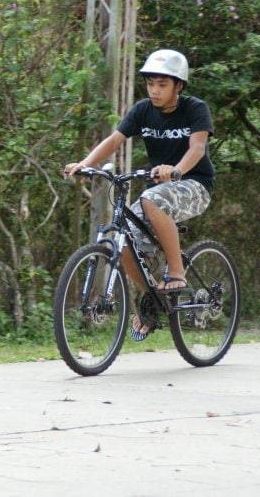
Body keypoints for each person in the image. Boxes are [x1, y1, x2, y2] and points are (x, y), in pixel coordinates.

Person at [63, 49, 215, 340]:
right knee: (122, 240)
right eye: (151, 84)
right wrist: (85, 164)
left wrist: (177, 170)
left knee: (150, 199)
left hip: (194, 184)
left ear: (178, 86)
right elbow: (115, 139)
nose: (155, 91)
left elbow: (197, 149)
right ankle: (152, 298)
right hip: (158, 187)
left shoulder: (195, 108)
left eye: (162, 85)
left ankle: (176, 270)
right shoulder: (142, 110)